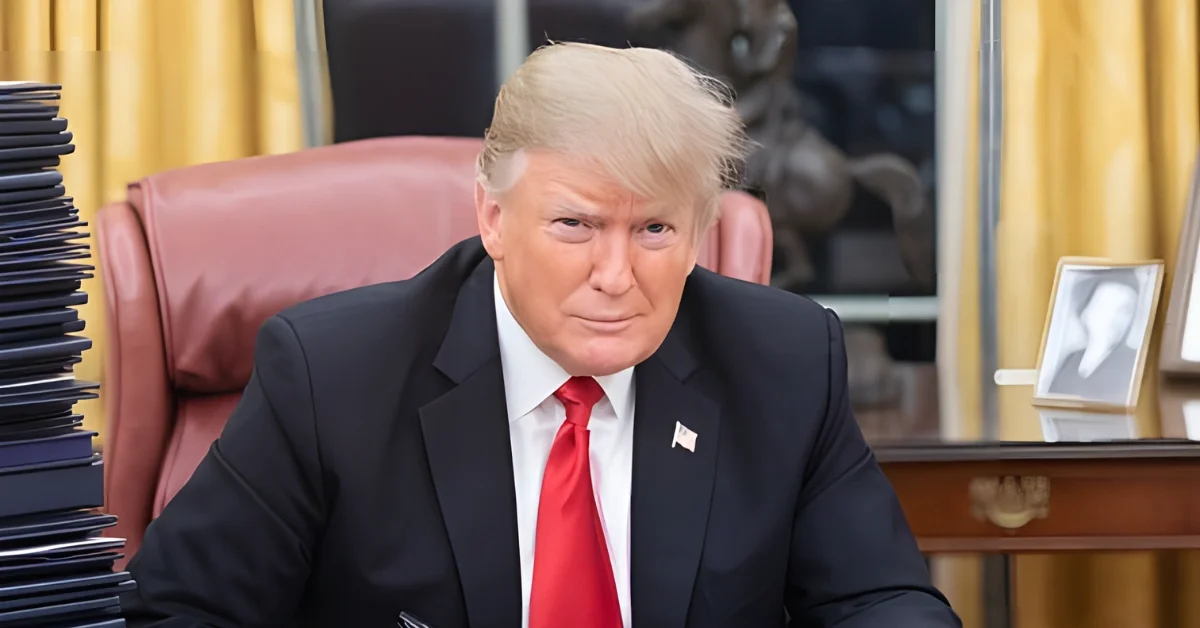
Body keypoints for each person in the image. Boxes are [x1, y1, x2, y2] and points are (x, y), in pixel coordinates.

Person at [122, 43, 959, 627]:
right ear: (492, 215)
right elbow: (180, 613)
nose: (615, 273)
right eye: (575, 225)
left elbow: (877, 602)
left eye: (657, 230)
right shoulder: (332, 376)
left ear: (702, 230)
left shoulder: (781, 362)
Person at [1047, 272, 1143, 404]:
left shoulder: (1134, 363)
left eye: (1124, 310)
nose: (1113, 318)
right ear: (1085, 312)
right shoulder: (1072, 359)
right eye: (1105, 306)